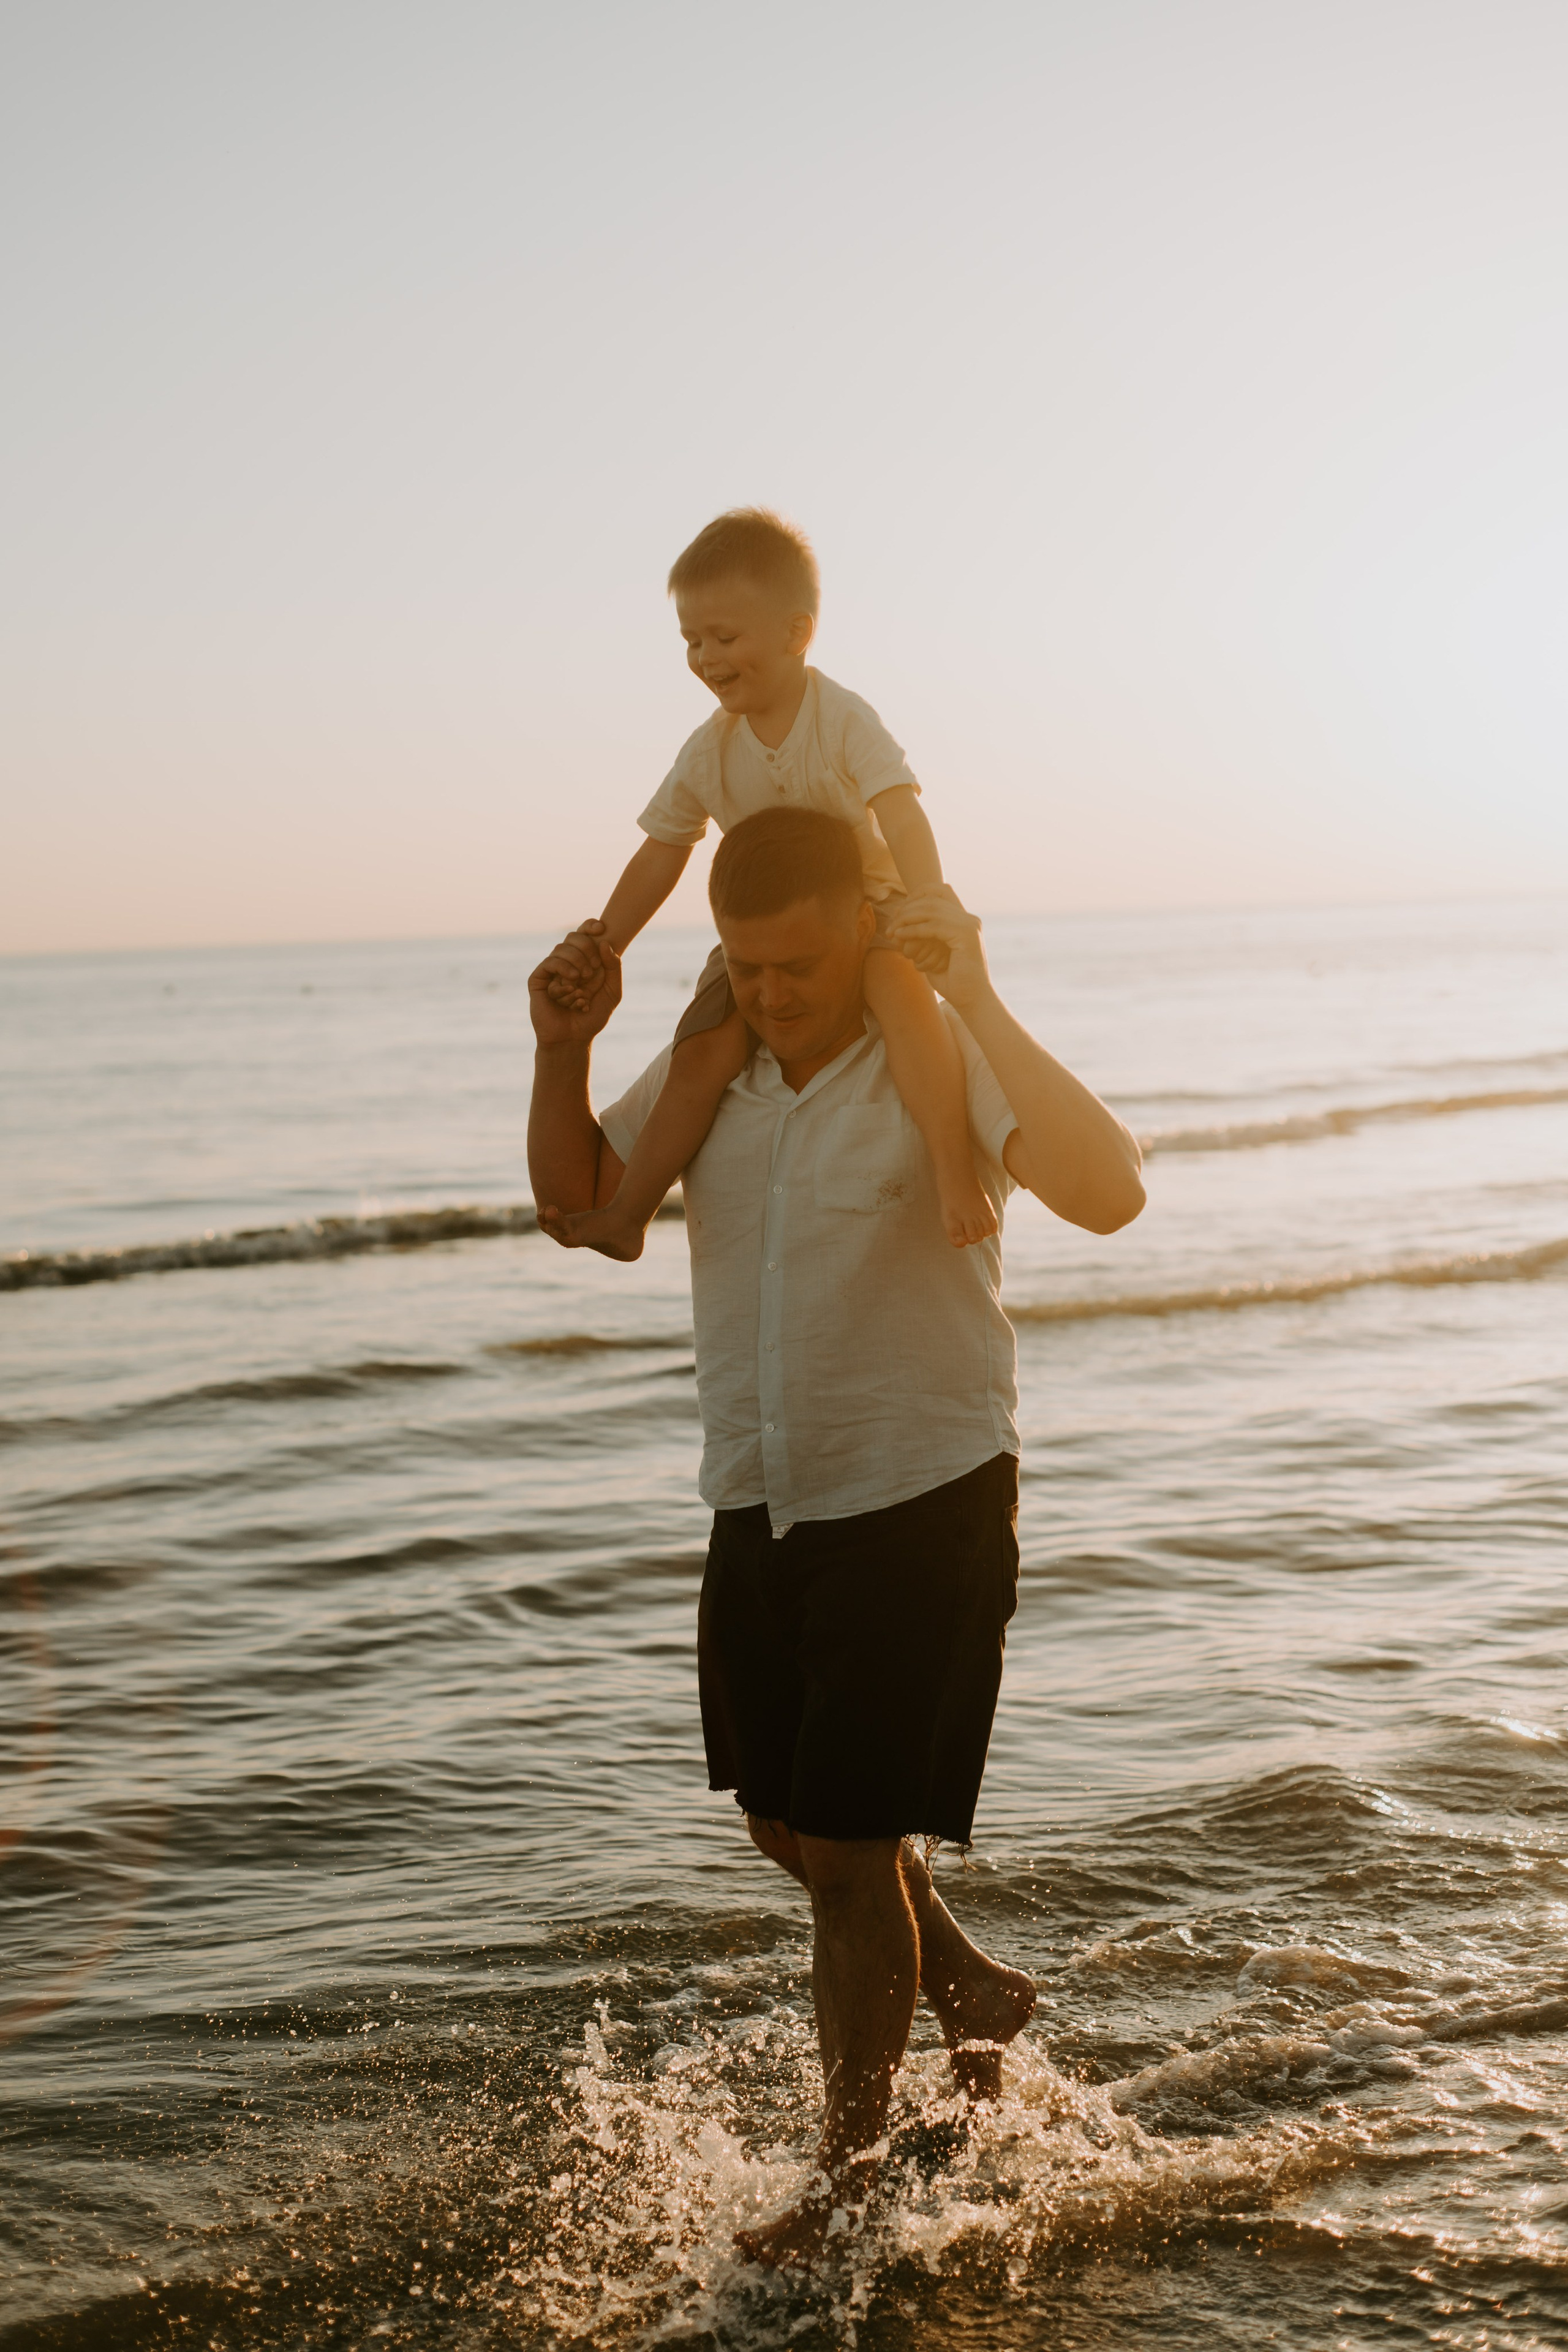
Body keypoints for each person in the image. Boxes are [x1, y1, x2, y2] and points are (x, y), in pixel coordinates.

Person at [527, 807, 1145, 2268]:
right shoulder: (714, 1074)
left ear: (861, 930)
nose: (771, 993)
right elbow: (576, 1208)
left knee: (857, 1852)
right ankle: (972, 1985)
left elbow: (1110, 1192)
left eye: (797, 964)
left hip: (921, 1493)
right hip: (756, 1495)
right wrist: (561, 1045)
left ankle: (847, 2182)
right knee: (785, 1822)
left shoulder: (935, 1059)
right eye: (744, 966)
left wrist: (979, 990)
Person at [540, 505, 998, 1257]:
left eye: (724, 637)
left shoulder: (841, 718)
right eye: (691, 640)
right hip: (765, 934)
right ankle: (629, 1213)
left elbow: (901, 813)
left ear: (795, 632)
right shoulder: (708, 749)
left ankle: (955, 1175)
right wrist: (605, 942)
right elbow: (661, 851)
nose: (705, 656)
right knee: (704, 1050)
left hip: (873, 910)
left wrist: (926, 901)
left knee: (905, 1002)